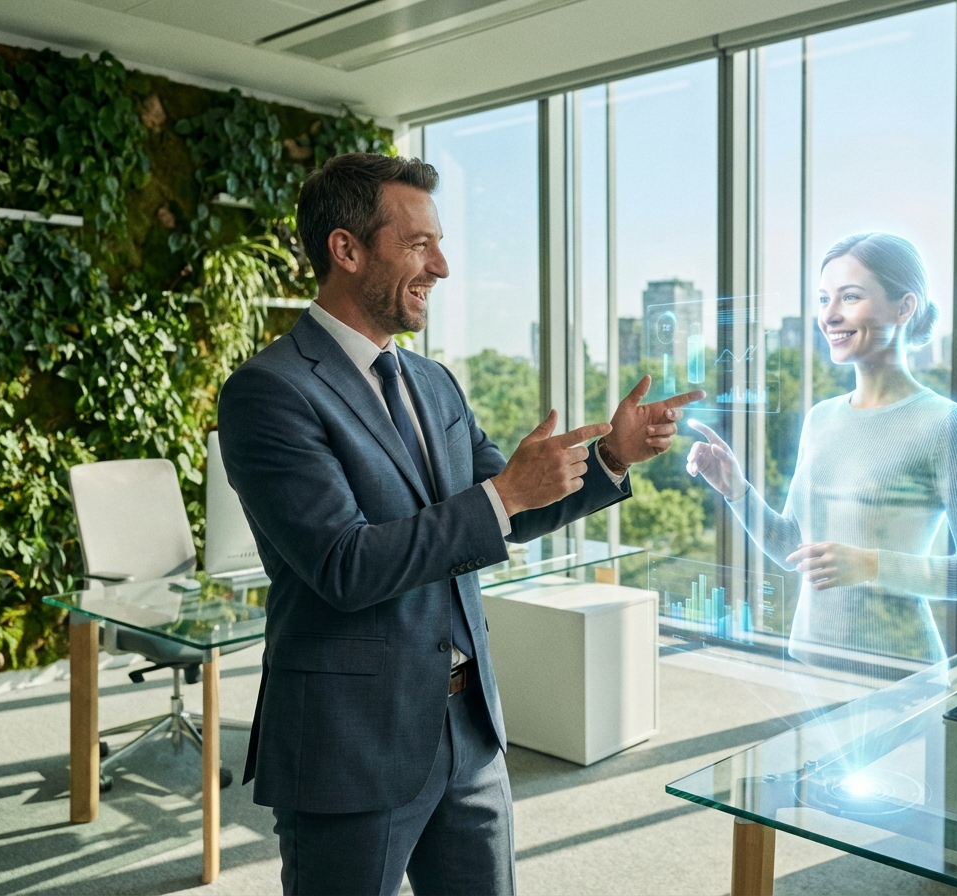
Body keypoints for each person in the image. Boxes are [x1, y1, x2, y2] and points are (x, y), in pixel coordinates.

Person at [217, 152, 703, 896]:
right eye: (418, 243)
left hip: (468, 731)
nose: (441, 266)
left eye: (440, 243)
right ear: (346, 250)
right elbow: (345, 565)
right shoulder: (268, 392)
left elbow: (504, 507)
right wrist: (504, 495)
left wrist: (609, 457)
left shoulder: (432, 381)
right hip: (351, 744)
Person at [686, 232, 957, 670]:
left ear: (905, 306)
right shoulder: (821, 418)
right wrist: (736, 490)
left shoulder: (946, 424)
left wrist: (871, 564)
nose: (830, 316)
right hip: (809, 665)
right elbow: (792, 549)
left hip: (900, 677)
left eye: (850, 297)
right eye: (823, 299)